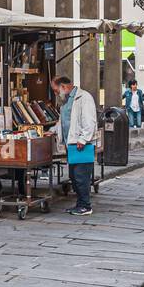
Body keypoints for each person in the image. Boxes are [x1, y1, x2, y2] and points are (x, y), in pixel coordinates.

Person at [53, 74, 97, 216]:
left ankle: (85, 205)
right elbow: (63, 122)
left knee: (81, 176)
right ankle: (80, 204)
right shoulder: (65, 102)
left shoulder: (84, 97)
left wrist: (83, 139)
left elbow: (90, 121)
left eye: (56, 90)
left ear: (63, 87)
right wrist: (53, 132)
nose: (56, 94)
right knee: (73, 175)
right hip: (71, 144)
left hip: (80, 144)